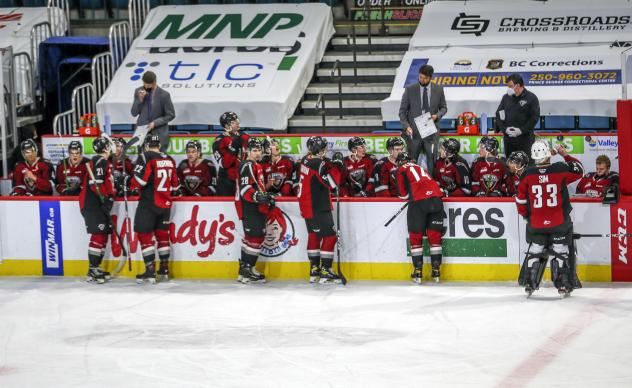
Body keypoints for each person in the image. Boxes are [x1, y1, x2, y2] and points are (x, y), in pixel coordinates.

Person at [516, 140, 584, 297]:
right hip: (559, 222)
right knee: (560, 250)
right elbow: (579, 170)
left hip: (536, 223)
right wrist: (564, 155)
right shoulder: (560, 169)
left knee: (535, 249)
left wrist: (527, 216)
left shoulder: (527, 173)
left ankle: (529, 283)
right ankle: (563, 284)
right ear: (548, 154)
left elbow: (520, 200)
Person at [130, 134, 180, 284]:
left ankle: (150, 271)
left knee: (144, 236)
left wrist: (129, 178)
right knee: (162, 236)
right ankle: (164, 270)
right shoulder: (169, 159)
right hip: (165, 205)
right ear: (159, 145)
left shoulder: (146, 156)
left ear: (146, 145)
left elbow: (141, 180)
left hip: (149, 203)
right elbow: (176, 186)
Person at [297, 136, 344, 284]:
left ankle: (314, 270)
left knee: (314, 236)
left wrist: (329, 163)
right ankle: (326, 270)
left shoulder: (306, 159)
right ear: (321, 150)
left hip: (307, 206)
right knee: (330, 236)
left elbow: (319, 169)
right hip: (318, 206)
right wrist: (337, 166)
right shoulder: (317, 163)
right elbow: (331, 183)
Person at [395, 151, 444, 283]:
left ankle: (418, 271)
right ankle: (436, 270)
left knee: (416, 237)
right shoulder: (421, 168)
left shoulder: (401, 170)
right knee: (434, 236)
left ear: (399, 162)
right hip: (436, 200)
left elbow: (402, 195)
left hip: (419, 203)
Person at [235, 138, 274, 283]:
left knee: (251, 238)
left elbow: (257, 187)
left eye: (259, 150)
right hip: (250, 207)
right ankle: (247, 269)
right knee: (256, 238)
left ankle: (245, 270)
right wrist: (259, 197)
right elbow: (246, 189)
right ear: (248, 151)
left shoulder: (254, 165)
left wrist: (265, 196)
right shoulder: (248, 165)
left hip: (254, 206)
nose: (257, 153)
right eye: (254, 151)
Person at [398, 64, 447, 176]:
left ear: (430, 77)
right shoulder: (410, 89)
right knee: (411, 160)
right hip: (414, 133)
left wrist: (437, 116)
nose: (422, 80)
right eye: (420, 77)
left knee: (432, 160)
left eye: (425, 78)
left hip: (431, 132)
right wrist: (407, 126)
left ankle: (431, 184)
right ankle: (412, 183)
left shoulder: (438, 89)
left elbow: (444, 107)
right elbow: (402, 111)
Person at [79, 137, 116, 284]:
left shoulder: (100, 162)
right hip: (93, 204)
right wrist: (107, 198)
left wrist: (110, 196)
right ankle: (93, 268)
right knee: (98, 235)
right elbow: (96, 184)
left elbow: (102, 182)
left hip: (97, 204)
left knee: (103, 235)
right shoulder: (101, 161)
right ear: (106, 148)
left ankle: (95, 268)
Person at [495, 74, 540, 159]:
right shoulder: (506, 98)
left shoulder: (531, 98)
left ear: (518, 85)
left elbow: (534, 117)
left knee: (526, 165)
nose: (508, 89)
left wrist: (521, 130)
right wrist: (505, 129)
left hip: (525, 140)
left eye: (510, 86)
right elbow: (498, 114)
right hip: (509, 140)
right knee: (510, 165)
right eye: (507, 86)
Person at [130, 71, 175, 153]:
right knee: (142, 160)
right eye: (144, 83)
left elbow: (170, 115)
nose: (145, 86)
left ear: (154, 82)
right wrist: (140, 100)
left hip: (159, 133)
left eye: (148, 84)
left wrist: (155, 123)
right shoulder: (138, 91)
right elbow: (134, 113)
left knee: (158, 160)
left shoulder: (164, 95)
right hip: (142, 133)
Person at [212, 111, 249, 196]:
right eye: (234, 122)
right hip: (227, 181)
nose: (237, 123)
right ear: (227, 126)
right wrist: (233, 148)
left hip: (244, 177)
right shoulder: (219, 141)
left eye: (237, 120)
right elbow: (224, 164)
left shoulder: (245, 137)